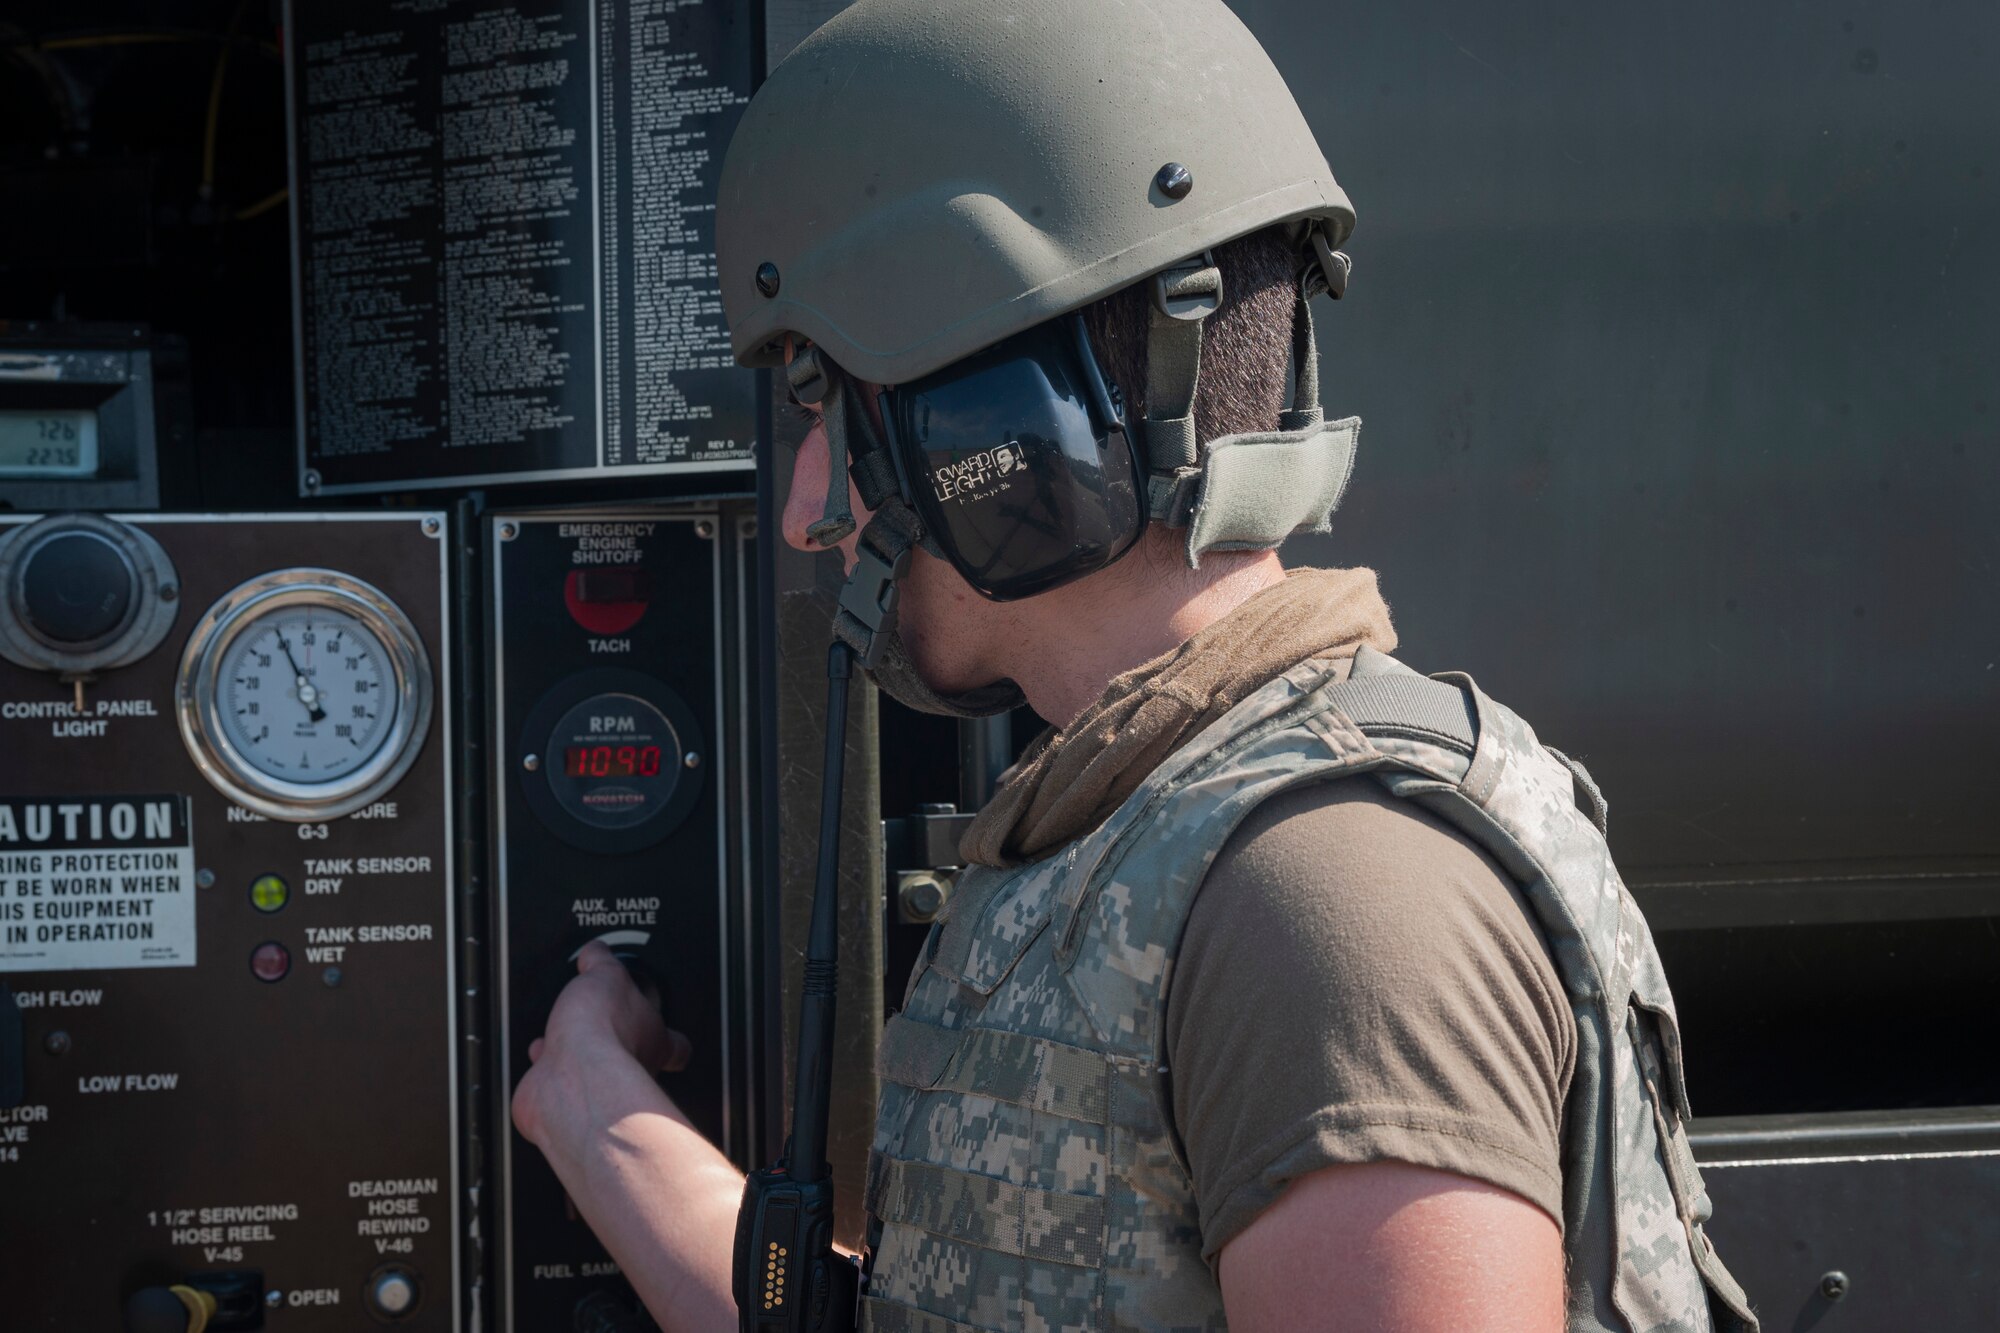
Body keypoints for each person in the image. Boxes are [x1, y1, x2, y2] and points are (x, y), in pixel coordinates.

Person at [511, 2, 1758, 1330]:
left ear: (995, 430)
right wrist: (602, 1124)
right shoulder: (1139, 844)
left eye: (828, 406)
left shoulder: (1328, 901)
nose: (813, 500)